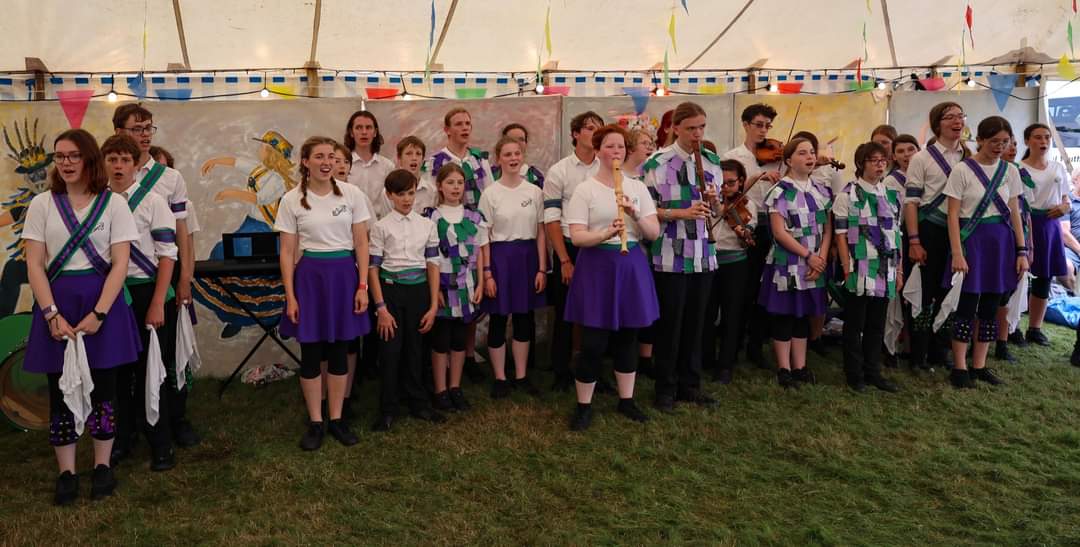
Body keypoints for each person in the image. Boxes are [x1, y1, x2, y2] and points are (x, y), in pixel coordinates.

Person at [23, 129, 141, 504]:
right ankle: (67, 472)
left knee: (104, 390)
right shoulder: (42, 204)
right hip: (57, 305)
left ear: (89, 158)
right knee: (60, 391)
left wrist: (100, 313)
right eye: (60, 156)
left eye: (74, 155)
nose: (66, 163)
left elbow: (120, 263)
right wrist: (50, 314)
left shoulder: (114, 204)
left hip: (101, 304)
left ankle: (102, 466)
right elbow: (34, 264)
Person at [112, 104, 201, 450]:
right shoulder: (107, 176)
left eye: (149, 127)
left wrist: (185, 278)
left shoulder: (169, 178)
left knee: (168, 354)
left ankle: (175, 419)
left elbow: (182, 233)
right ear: (119, 132)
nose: (145, 134)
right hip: (119, 281)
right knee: (125, 360)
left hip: (163, 272)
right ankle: (131, 427)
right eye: (137, 128)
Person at [276, 137, 371, 450]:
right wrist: (291, 296)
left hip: (344, 277)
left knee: (340, 351)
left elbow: (361, 243)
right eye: (319, 156)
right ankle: (316, 422)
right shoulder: (291, 199)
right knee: (312, 353)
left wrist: (362, 286)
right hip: (310, 279)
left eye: (331, 156)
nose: (326, 162)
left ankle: (337, 418)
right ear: (306, 161)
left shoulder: (352, 194)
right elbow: (287, 251)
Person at [563, 124, 659, 430]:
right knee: (593, 342)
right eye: (609, 146)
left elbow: (653, 233)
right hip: (597, 265)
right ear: (598, 150)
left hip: (630, 265)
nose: (616, 151)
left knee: (628, 338)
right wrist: (605, 233)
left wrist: (634, 214)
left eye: (620, 147)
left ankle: (626, 400)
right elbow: (577, 236)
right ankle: (583, 406)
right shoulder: (585, 189)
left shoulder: (637, 188)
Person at [103, 135, 180, 472]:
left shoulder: (153, 202)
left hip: (148, 292)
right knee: (116, 371)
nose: (118, 166)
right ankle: (122, 437)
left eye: (125, 160)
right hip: (111, 295)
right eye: (112, 160)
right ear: (103, 164)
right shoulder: (98, 202)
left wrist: (158, 302)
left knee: (152, 370)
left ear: (136, 165)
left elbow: (167, 255)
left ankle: (160, 441)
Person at [643, 101, 721, 411]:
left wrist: (714, 201)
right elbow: (647, 211)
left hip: (703, 253)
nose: (697, 134)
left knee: (696, 324)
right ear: (675, 128)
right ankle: (665, 387)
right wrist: (681, 213)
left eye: (701, 127)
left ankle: (690, 384)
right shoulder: (656, 163)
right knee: (670, 325)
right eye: (691, 128)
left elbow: (717, 211)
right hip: (669, 254)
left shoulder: (712, 161)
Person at [942, 116, 1027, 388]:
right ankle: (960, 367)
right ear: (979, 140)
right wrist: (957, 252)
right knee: (967, 305)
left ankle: (979, 365)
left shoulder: (1010, 171)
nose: (1000, 146)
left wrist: (1022, 250)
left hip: (1001, 244)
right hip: (972, 242)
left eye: (1005, 142)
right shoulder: (962, 170)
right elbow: (952, 215)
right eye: (994, 141)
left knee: (991, 305)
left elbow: (1015, 213)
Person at [368, 169, 444, 431]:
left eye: (411, 193)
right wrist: (381, 308)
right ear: (389, 195)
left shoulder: (427, 225)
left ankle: (418, 403)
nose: (407, 199)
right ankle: (388, 408)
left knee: (416, 349)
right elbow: (373, 268)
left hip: (418, 292)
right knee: (390, 351)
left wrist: (432, 305)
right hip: (390, 292)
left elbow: (433, 264)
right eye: (400, 194)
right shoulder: (380, 227)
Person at [758, 137, 832, 388]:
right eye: (802, 153)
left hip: (814, 263)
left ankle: (800, 366)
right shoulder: (779, 191)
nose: (810, 157)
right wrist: (808, 256)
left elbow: (827, 229)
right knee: (784, 315)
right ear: (789, 160)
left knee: (803, 315)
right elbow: (780, 233)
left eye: (812, 152)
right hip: (787, 262)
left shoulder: (821, 190)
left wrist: (820, 258)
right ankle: (784, 368)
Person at [479, 137, 547, 398]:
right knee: (498, 318)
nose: (513, 158)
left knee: (523, 318)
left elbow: (541, 232)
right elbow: (484, 237)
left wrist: (541, 268)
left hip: (527, 258)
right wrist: (487, 273)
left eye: (517, 153)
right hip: (500, 259)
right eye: (507, 154)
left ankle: (521, 375)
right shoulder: (490, 193)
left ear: (523, 156)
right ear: (499, 159)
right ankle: (500, 377)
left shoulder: (534, 192)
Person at [904, 102, 968, 373]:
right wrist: (914, 241)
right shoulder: (922, 158)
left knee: (950, 292)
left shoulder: (969, 156)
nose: (957, 121)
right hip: (929, 230)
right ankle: (918, 355)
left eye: (960, 116)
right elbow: (911, 202)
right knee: (924, 294)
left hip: (960, 233)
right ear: (937, 124)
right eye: (949, 117)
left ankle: (940, 352)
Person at [833, 142, 902, 393]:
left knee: (877, 323)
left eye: (883, 160)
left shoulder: (892, 195)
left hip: (886, 267)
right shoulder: (847, 195)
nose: (880, 165)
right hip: (859, 266)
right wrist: (846, 267)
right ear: (861, 164)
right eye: (874, 160)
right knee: (855, 323)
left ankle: (873, 371)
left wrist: (899, 270)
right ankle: (854, 373)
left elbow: (897, 235)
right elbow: (841, 236)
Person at [543, 111, 603, 391]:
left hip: (600, 246)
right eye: (589, 128)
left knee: (598, 312)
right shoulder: (560, 171)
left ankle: (594, 370)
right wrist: (564, 260)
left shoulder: (607, 166)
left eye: (598, 128)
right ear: (576, 134)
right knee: (566, 312)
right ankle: (561, 371)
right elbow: (551, 219)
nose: (594, 132)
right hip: (570, 247)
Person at [723, 103, 781, 369]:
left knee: (766, 287)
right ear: (745, 125)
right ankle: (734, 346)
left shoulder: (777, 156)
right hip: (747, 224)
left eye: (767, 126)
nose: (764, 131)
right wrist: (757, 177)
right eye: (759, 125)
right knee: (744, 290)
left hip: (774, 223)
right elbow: (729, 192)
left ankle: (757, 344)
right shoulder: (733, 157)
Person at [426, 163, 488, 412]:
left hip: (467, 285)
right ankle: (440, 390)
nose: (455, 187)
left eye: (460, 183)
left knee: (460, 339)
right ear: (440, 186)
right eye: (450, 182)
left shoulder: (475, 216)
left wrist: (481, 282)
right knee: (441, 339)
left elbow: (480, 252)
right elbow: (429, 256)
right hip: (442, 285)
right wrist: (435, 292)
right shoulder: (432, 217)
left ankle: (455, 387)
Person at [332, 143, 379, 419]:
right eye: (336, 160)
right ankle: (326, 394)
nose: (340, 166)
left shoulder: (356, 196)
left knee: (350, 337)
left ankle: (347, 394)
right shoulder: (310, 196)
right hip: (326, 267)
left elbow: (366, 236)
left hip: (351, 266)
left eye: (345, 162)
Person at [701, 160, 757, 384]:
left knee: (731, 314)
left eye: (730, 183)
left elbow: (748, 235)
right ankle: (705, 357)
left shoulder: (748, 205)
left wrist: (743, 231)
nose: (725, 188)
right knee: (707, 312)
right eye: (721, 183)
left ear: (741, 182)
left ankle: (726, 364)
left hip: (735, 264)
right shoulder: (708, 200)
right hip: (709, 260)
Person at [1018, 123, 1070, 346]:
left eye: (1047, 137)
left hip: (1050, 225)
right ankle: (1010, 328)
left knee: (1044, 278)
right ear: (1027, 141)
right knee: (1018, 277)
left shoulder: (1057, 167)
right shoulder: (1018, 169)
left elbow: (1066, 199)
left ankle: (1034, 328)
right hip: (1026, 224)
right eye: (1038, 137)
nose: (1043, 141)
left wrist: (1064, 207)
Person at [421, 107, 492, 208]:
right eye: (459, 124)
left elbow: (491, 195)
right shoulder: (435, 162)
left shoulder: (480, 159)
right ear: (447, 130)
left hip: (479, 216)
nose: (465, 128)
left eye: (467, 123)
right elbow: (430, 200)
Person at [344, 110, 396, 212]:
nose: (364, 132)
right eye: (359, 128)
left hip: (381, 220)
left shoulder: (388, 166)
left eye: (368, 127)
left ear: (375, 132)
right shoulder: (342, 165)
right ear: (351, 132)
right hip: (350, 219)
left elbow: (393, 199)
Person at [495, 123, 545, 187]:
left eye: (521, 139)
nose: (517, 143)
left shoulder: (535, 177)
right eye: (511, 139)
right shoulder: (491, 174)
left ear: (526, 143)